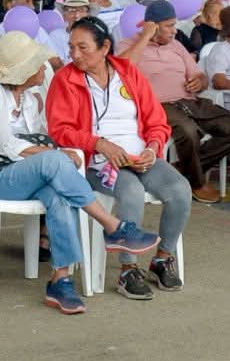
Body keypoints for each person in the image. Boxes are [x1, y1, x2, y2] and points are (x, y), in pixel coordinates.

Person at [0, 31, 161, 314]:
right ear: (24, 70)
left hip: (22, 174)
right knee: (54, 162)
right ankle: (112, 226)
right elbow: (5, 144)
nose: (45, 68)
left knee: (58, 195)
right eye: (38, 64)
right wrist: (56, 155)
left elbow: (43, 140)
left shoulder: (29, 100)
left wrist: (60, 153)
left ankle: (60, 279)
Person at [46, 15, 190, 293]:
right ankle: (128, 269)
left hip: (139, 156)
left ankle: (163, 258)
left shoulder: (128, 73)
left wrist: (152, 148)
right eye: (71, 47)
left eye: (83, 47)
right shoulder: (65, 79)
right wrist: (100, 144)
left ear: (104, 48)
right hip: (97, 162)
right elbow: (59, 130)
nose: (75, 54)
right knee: (131, 191)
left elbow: (157, 121)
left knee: (180, 189)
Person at [119, 0, 230, 205]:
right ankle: (197, 183)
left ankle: (181, 169)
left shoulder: (176, 45)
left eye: (175, 25)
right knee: (189, 133)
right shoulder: (128, 45)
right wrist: (145, 37)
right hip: (157, 106)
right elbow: (122, 69)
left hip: (189, 101)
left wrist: (199, 81)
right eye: (169, 26)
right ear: (152, 26)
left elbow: (200, 76)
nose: (175, 30)